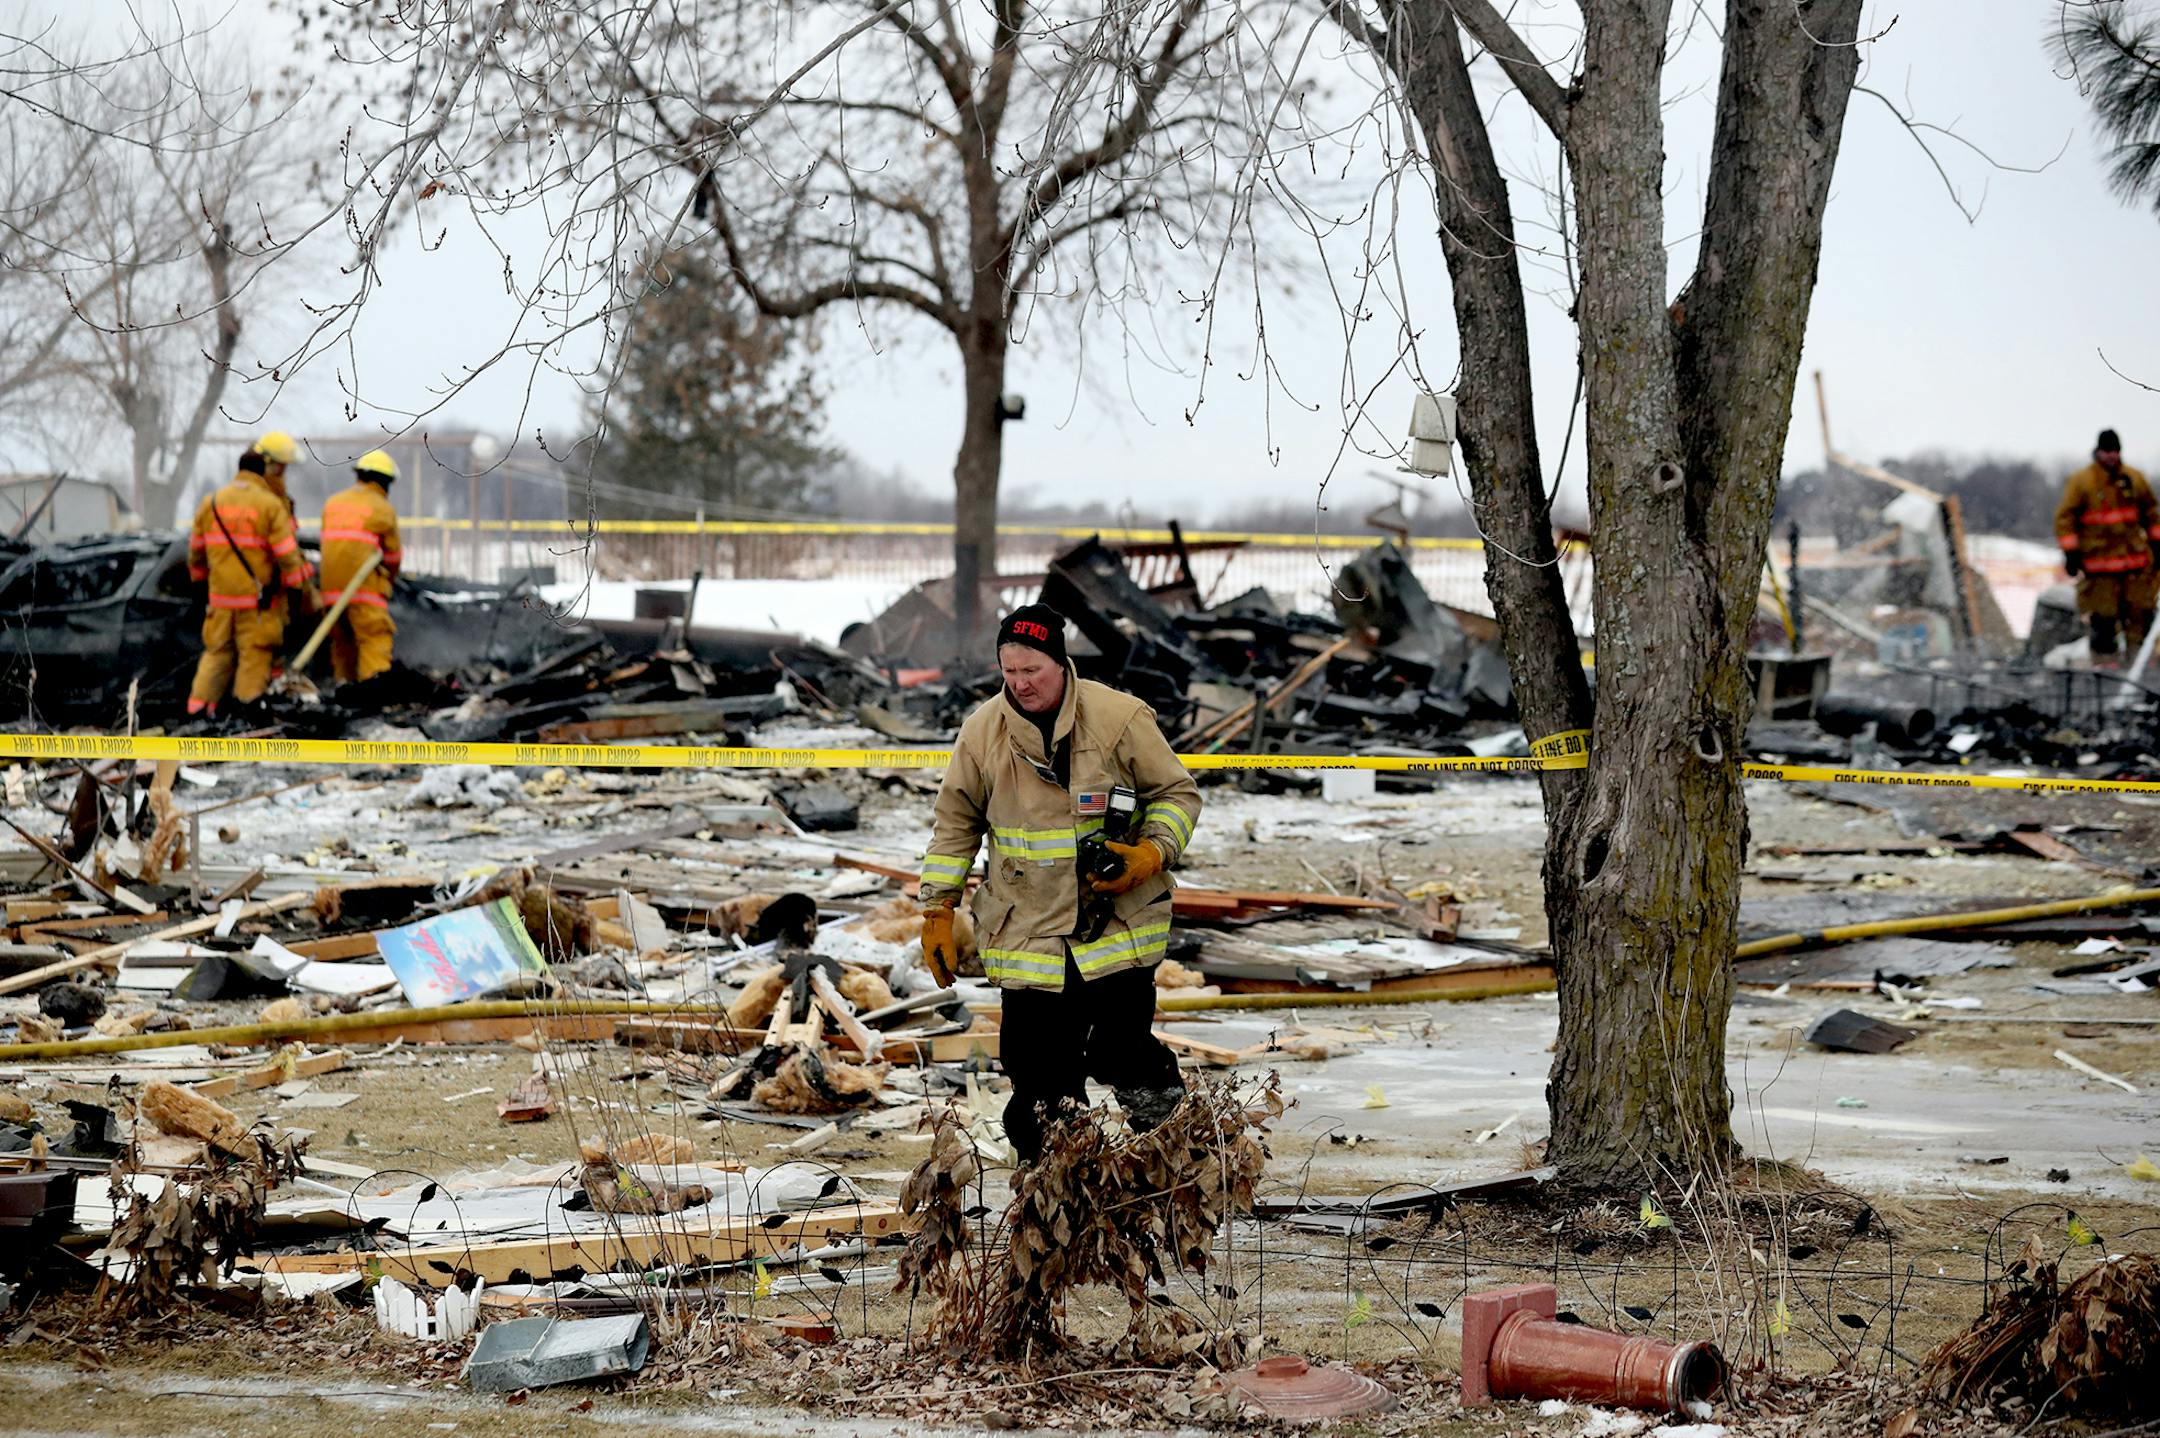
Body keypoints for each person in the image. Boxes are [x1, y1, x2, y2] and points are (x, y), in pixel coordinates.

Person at [917, 604, 1202, 1162]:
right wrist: (936, 911)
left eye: (1032, 671)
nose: (1020, 684)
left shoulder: (1120, 719)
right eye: (1009, 672)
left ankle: (1180, 1159)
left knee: (1123, 1056)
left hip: (1116, 932)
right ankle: (1056, 1197)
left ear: (1060, 662)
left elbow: (1177, 794)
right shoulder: (982, 734)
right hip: (1029, 939)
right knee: (1040, 1082)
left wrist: (1150, 852)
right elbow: (954, 827)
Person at [185, 445, 311, 717]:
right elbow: (289, 559)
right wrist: (295, 595)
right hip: (257, 602)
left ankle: (197, 709)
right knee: (255, 654)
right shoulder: (269, 504)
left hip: (219, 600)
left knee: (216, 653)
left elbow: (195, 554)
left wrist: (200, 590)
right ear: (262, 471)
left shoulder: (212, 502)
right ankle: (245, 708)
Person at [2055, 427, 2160, 662]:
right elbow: (2065, 519)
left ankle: (2142, 676)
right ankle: (2105, 676)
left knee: (2141, 623)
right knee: (2103, 626)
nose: (2112, 456)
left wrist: (2157, 543)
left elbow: (2151, 513)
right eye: (2107, 451)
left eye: (2115, 451)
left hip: (2136, 569)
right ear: (2098, 452)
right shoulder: (2083, 482)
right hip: (2100, 571)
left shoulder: (2134, 479)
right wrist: (2071, 552)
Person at [318, 449, 404, 683]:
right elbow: (393, 558)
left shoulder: (332, 504)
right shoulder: (382, 508)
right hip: (364, 592)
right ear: (384, 481)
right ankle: (372, 695)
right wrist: (387, 583)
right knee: (375, 639)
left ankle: (344, 691)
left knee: (343, 644)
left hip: (331, 593)